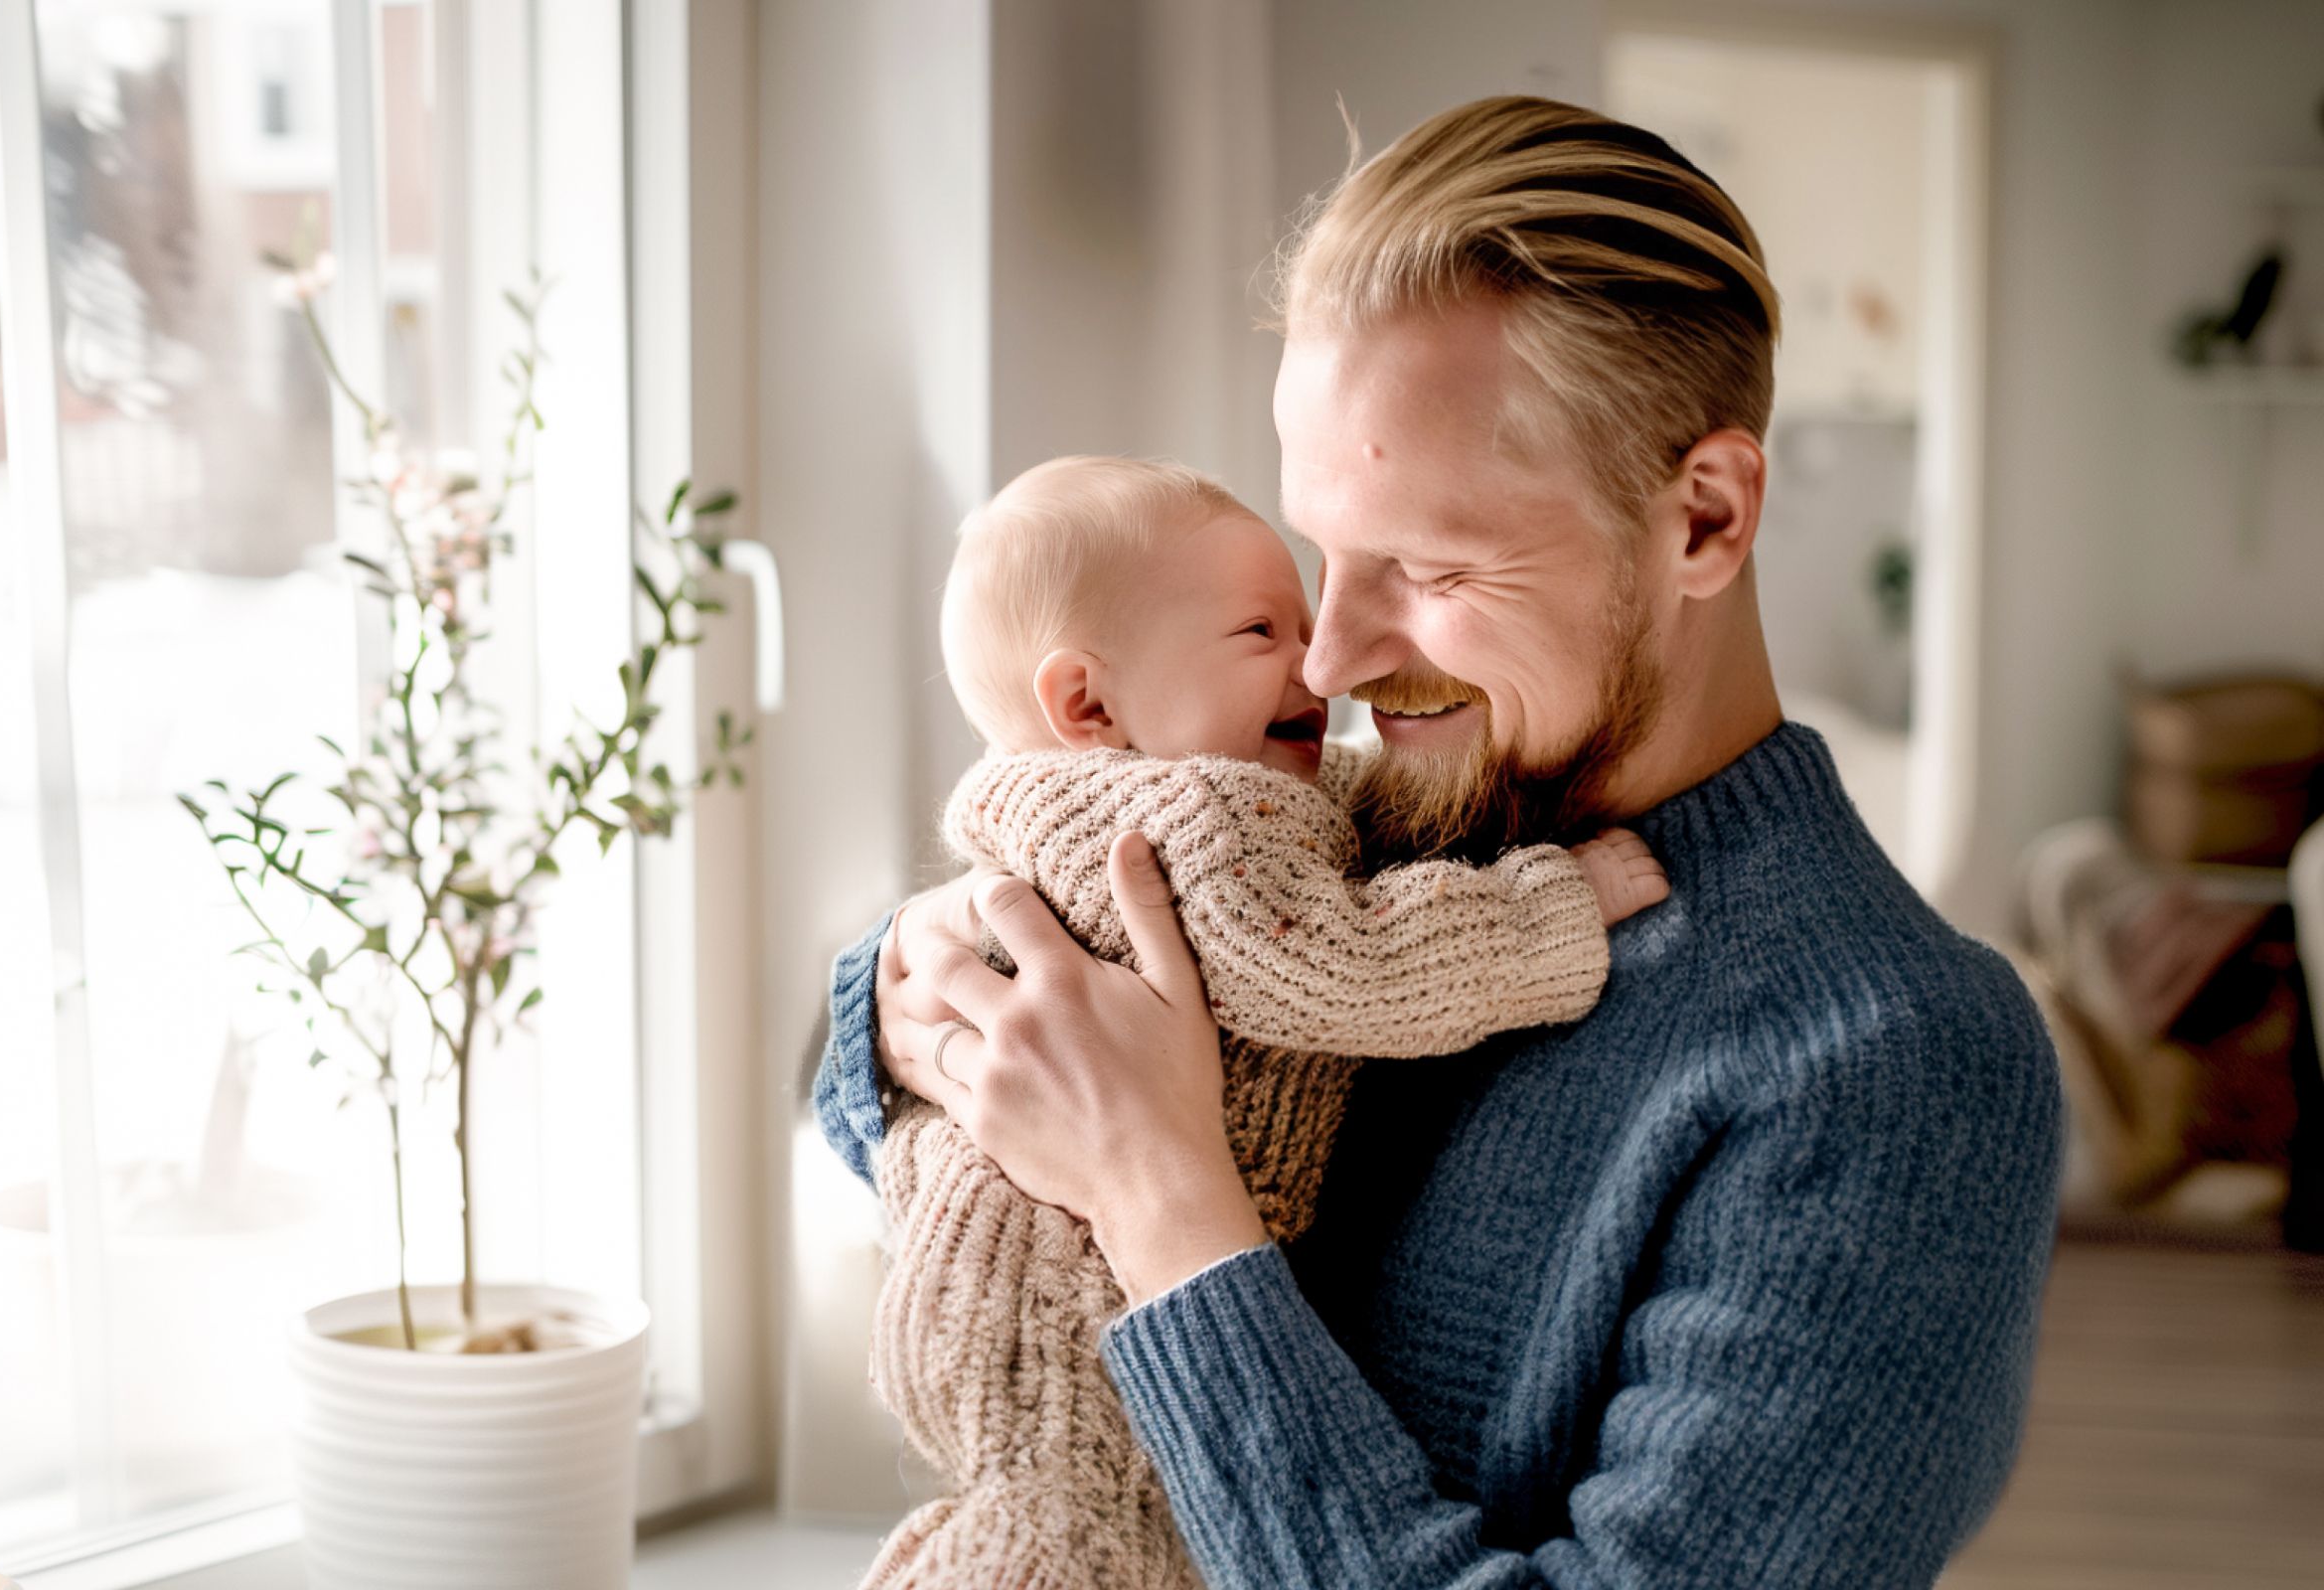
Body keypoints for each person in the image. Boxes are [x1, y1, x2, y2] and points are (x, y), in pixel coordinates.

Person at [817, 94, 2063, 1588]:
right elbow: (924, 1151)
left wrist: (1167, 1205)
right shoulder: (1386, 823)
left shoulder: (1891, 1065)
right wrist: (898, 992)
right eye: (1323, 558)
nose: (1331, 661)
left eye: (1429, 564)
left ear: (1707, 518)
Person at [860, 453, 1661, 1588]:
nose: (1320, 661)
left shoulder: (1145, 790)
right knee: (1064, 1546)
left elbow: (1349, 812)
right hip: (1070, 1318)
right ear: (1089, 704)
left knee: (1035, 1531)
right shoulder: (1189, 814)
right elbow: (1346, 963)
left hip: (984, 1289)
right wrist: (1556, 909)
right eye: (1261, 632)